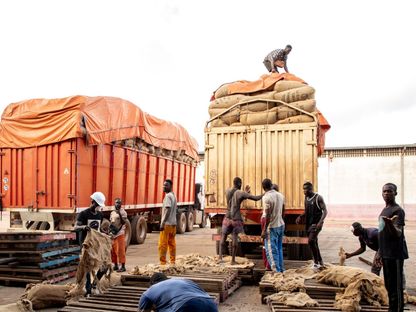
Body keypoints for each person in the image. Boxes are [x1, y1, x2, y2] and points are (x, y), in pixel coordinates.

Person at [378, 183, 408, 312]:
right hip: (385, 253)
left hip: (395, 253)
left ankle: (398, 309)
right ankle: (392, 308)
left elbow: (398, 233)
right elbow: (381, 232)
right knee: (389, 285)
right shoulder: (384, 210)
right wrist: (379, 252)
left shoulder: (398, 210)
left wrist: (390, 224)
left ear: (395, 193)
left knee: (396, 286)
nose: (386, 194)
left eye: (389, 191)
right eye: (384, 191)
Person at [219, 177, 263, 265]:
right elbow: (256, 198)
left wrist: (245, 193)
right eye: (241, 183)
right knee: (235, 238)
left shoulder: (227, 191)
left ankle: (220, 258)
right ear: (239, 184)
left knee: (223, 237)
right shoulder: (240, 193)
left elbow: (235, 197)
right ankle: (233, 260)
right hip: (236, 219)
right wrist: (265, 194)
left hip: (227, 218)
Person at [74, 191, 106, 295]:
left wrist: (105, 233)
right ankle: (88, 291)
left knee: (104, 266)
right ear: (92, 202)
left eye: (99, 206)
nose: (98, 207)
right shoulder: (83, 214)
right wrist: (84, 227)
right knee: (87, 269)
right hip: (86, 245)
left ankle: (94, 284)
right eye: (97, 205)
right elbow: (75, 227)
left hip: (96, 245)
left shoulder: (100, 215)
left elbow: (99, 228)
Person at [139, 273, 218, 312]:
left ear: (152, 284)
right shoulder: (183, 280)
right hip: (210, 304)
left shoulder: (150, 291)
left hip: (186, 305)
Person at [296, 182, 327, 270]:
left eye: (306, 189)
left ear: (311, 189)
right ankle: (320, 261)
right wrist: (300, 216)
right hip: (308, 224)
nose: (304, 191)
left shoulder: (318, 198)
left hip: (316, 224)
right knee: (314, 242)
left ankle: (316, 263)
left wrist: (320, 222)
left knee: (311, 241)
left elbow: (325, 211)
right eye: (303, 189)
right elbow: (307, 211)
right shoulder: (306, 198)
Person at [261, 179, 285, 272]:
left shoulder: (266, 197)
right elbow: (283, 211)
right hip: (281, 225)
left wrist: (264, 229)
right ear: (271, 185)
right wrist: (281, 220)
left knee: (271, 250)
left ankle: (277, 272)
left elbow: (267, 215)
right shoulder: (280, 195)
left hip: (272, 227)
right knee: (279, 249)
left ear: (263, 187)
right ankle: (281, 269)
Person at [159, 179, 178, 265]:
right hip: (173, 224)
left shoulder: (167, 196)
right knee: (172, 244)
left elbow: (168, 209)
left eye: (166, 185)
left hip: (167, 225)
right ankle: (172, 261)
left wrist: (163, 222)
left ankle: (163, 263)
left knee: (162, 244)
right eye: (163, 185)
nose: (164, 187)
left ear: (170, 186)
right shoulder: (173, 195)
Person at [110, 197, 128, 272]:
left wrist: (119, 214)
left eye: (119, 203)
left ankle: (123, 266)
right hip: (113, 234)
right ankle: (116, 265)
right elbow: (111, 222)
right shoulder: (112, 212)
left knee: (120, 250)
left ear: (121, 204)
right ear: (114, 203)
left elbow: (124, 222)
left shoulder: (123, 212)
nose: (118, 204)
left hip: (120, 233)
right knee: (113, 250)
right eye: (116, 202)